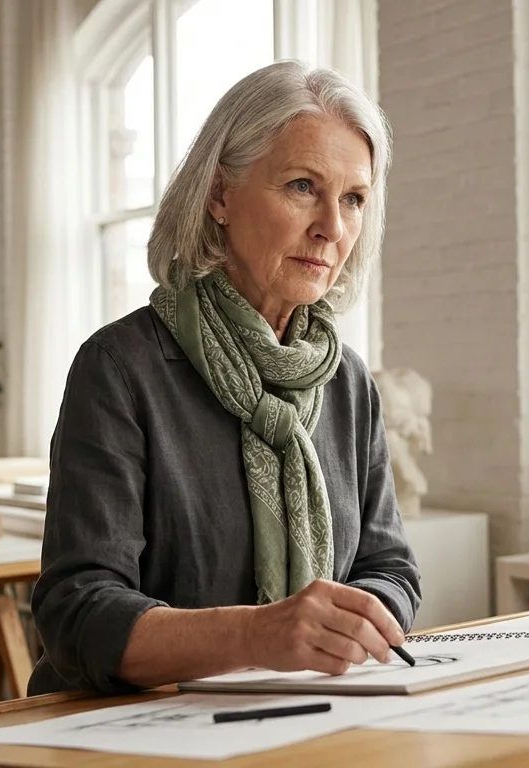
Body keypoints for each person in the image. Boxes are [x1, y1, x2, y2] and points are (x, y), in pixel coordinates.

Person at [29, 60, 420, 697]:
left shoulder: (348, 381)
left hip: (313, 712)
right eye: (302, 186)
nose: (332, 227)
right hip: (132, 728)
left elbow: (390, 567)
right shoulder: (120, 368)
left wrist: (353, 623)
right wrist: (258, 635)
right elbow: (78, 613)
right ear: (218, 196)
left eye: (353, 199)